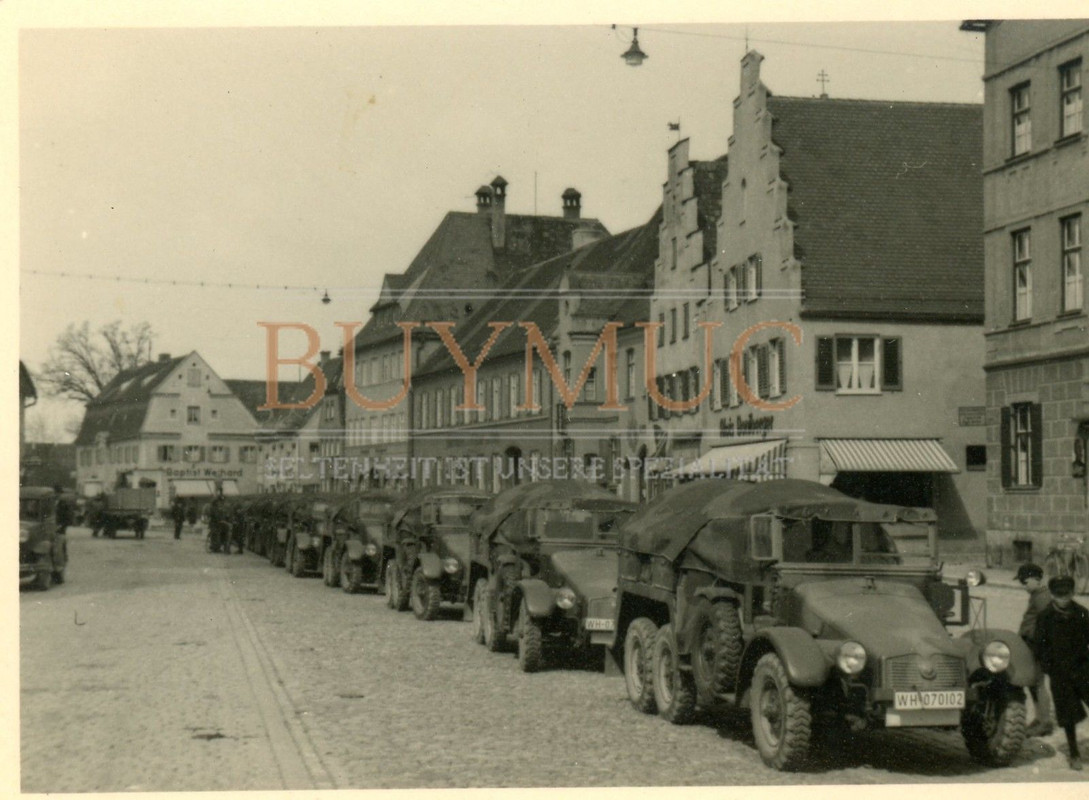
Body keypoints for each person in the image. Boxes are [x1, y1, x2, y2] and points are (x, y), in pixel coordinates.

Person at [1035, 575, 1089, 771]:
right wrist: (1049, 667)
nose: (1063, 599)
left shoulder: (1082, 613)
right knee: (1068, 715)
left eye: (1066, 595)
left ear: (1073, 593)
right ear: (1052, 595)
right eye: (1059, 595)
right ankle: (1074, 753)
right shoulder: (1045, 617)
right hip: (1060, 674)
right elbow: (1040, 647)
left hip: (1084, 669)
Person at [1016, 562, 1055, 737]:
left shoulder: (1041, 597)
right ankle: (1040, 719)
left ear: (1036, 579)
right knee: (1034, 682)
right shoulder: (1038, 595)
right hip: (1032, 644)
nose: (1023, 586)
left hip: (1036, 645)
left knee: (1037, 683)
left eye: (1025, 582)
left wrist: (1034, 639)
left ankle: (1044, 722)